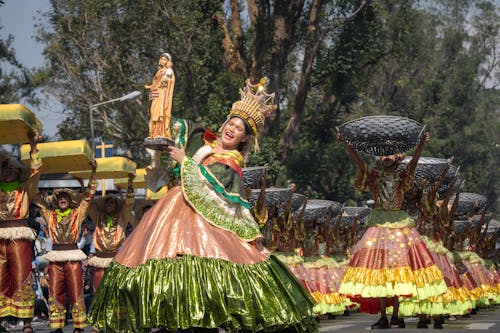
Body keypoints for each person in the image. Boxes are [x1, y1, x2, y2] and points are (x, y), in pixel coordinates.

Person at [88, 78, 316, 333]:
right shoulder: (205, 145)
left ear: (244, 139)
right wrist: (159, 105)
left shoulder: (231, 160)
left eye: (239, 129)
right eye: (231, 123)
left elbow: (216, 183)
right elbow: (176, 130)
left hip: (208, 226)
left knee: (203, 273)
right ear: (224, 123)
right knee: (171, 270)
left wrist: (186, 162)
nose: (232, 129)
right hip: (174, 214)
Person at [337, 130, 448, 329]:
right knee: (378, 271)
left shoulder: (403, 177)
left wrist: (421, 144)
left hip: (399, 226)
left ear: (397, 158)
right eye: (383, 154)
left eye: (390, 154)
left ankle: (396, 315)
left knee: (397, 271)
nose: (386, 157)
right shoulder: (374, 177)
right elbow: (359, 163)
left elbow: (413, 164)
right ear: (379, 158)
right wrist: (347, 145)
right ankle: (383, 316)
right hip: (378, 225)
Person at [36, 160, 97, 333]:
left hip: (73, 256)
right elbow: (36, 198)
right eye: (60, 198)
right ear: (56, 201)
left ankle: (78, 326)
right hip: (55, 256)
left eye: (65, 197)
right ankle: (57, 326)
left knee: (76, 290)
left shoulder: (78, 214)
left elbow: (89, 196)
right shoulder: (50, 215)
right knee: (55, 291)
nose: (63, 199)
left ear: (70, 201)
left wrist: (93, 172)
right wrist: (38, 172)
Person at [0, 132, 41, 333]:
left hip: (20, 237)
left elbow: (35, 170)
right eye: (4, 169)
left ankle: (26, 323)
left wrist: (33, 146)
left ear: (18, 172)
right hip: (0, 236)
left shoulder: (25, 188)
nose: (7, 172)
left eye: (11, 169)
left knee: (21, 275)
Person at [86, 173, 136, 292]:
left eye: (112, 202)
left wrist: (130, 182)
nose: (109, 204)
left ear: (116, 205)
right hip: (100, 259)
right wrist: (93, 176)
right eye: (107, 202)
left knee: (116, 292)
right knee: (98, 291)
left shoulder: (122, 216)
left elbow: (129, 203)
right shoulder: (98, 216)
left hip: (116, 259)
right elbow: (88, 203)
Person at [145, 52, 175, 139]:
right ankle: (153, 132)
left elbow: (168, 80)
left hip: (162, 93)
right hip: (156, 93)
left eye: (165, 59)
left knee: (160, 112)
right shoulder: (159, 71)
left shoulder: (168, 71)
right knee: (153, 111)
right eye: (162, 59)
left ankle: (160, 132)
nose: (162, 61)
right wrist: (150, 86)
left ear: (168, 61)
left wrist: (166, 79)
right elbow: (156, 83)